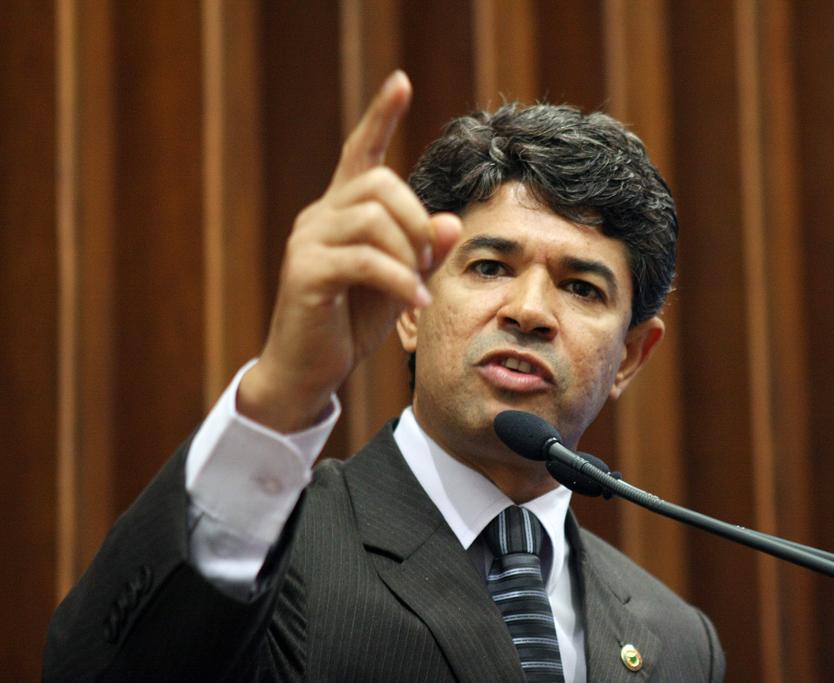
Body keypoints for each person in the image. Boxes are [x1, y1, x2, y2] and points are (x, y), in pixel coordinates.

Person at [44, 71, 724, 682]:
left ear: (630, 357)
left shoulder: (679, 641)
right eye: (490, 266)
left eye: (580, 287)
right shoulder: (270, 555)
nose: (529, 310)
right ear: (410, 308)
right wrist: (284, 393)